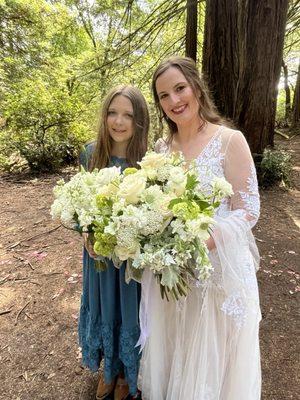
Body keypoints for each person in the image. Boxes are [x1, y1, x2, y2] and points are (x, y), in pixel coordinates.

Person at [138, 56, 261, 399]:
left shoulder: (229, 140)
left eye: (180, 88)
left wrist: (205, 240)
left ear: (196, 86)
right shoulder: (162, 150)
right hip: (174, 278)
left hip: (216, 273)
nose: (175, 101)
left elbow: (249, 208)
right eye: (164, 96)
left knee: (212, 360)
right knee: (178, 350)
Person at [78, 85, 149, 400]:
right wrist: (84, 231)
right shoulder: (90, 154)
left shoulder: (148, 161)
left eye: (128, 115)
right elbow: (79, 203)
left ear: (140, 121)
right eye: (112, 112)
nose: (118, 122)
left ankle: (125, 375)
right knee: (104, 308)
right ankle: (108, 371)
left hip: (132, 260)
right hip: (100, 259)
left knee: (128, 312)